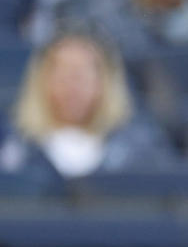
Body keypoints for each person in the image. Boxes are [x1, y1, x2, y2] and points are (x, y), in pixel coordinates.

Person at [0, 27, 174, 178]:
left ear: (105, 82)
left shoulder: (139, 152)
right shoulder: (14, 152)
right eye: (63, 74)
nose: (73, 86)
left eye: (83, 75)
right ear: (40, 81)